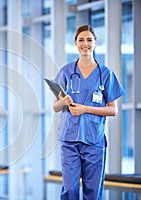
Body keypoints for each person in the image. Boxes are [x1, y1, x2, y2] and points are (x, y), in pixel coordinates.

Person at [53, 25, 124, 200]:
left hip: (94, 141)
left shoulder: (105, 73)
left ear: (95, 43)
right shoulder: (66, 72)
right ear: (76, 43)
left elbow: (113, 109)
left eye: (89, 40)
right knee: (69, 190)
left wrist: (86, 109)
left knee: (93, 192)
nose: (85, 44)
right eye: (81, 40)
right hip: (69, 139)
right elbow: (55, 107)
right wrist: (63, 101)